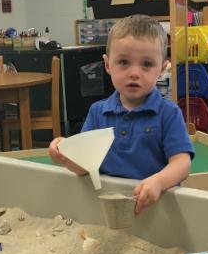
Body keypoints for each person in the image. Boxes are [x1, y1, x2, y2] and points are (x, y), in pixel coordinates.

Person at [49, 14, 193, 215]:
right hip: (107, 208)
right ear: (108, 65)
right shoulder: (98, 113)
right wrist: (66, 154)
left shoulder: (168, 113)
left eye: (147, 64)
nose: (134, 73)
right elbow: (84, 167)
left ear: (162, 69)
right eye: (124, 62)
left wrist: (159, 182)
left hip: (156, 208)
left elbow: (182, 163)